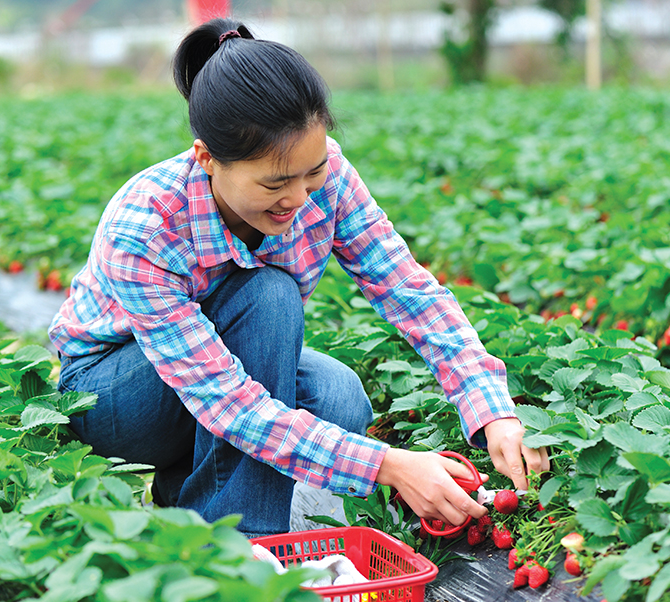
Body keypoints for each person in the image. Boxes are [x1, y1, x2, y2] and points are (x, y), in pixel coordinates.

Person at [49, 17, 549, 538]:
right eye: (275, 183)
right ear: (207, 159)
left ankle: (188, 499)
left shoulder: (327, 177)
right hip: (112, 396)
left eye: (313, 172)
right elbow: (227, 403)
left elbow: (407, 288)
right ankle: (242, 544)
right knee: (267, 294)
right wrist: (389, 466)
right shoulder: (147, 227)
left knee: (340, 400)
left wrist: (491, 407)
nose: (300, 198)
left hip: (206, 378)